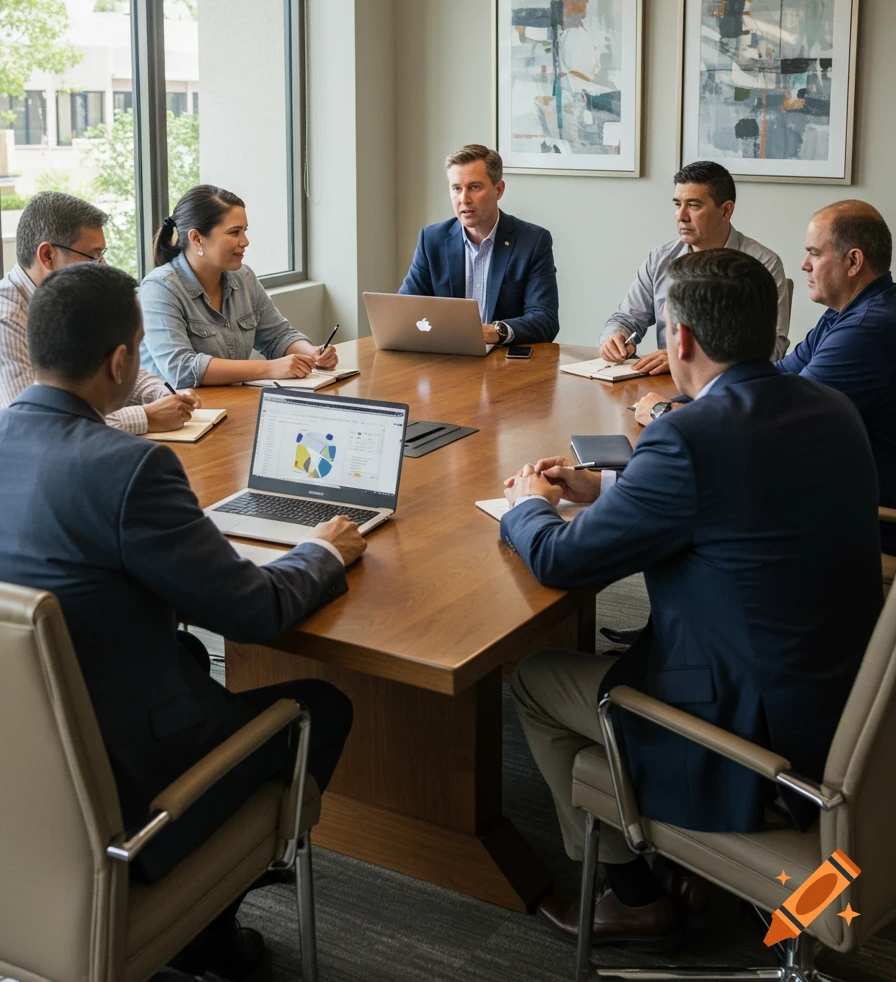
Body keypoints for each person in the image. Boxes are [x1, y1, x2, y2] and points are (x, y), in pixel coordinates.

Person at [500, 249, 881, 950]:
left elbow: (560, 560)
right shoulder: (830, 408)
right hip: (842, 705)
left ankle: (633, 892)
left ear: (678, 339)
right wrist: (608, 491)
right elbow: (740, 505)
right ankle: (695, 876)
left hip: (748, 738)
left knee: (531, 682)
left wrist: (528, 506)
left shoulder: (685, 435)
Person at [0, 263, 360, 977]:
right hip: (126, 788)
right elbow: (254, 611)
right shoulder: (130, 468)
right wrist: (321, 553)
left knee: (191, 662)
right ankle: (202, 921)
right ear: (123, 360)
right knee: (319, 705)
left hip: (24, 767)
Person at [0, 191, 196, 434]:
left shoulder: (75, 298)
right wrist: (147, 417)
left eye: (103, 254)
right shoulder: (6, 319)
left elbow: (113, 367)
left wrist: (161, 393)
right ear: (48, 255)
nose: (103, 265)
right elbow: (37, 423)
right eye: (93, 255)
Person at [775, 200, 896, 550]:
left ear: (854, 261)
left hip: (872, 518)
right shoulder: (848, 312)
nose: (804, 264)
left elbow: (780, 415)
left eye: (814, 253)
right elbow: (779, 376)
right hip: (843, 492)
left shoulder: (866, 330)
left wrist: (683, 407)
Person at [600, 160, 790, 375]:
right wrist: (615, 337)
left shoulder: (763, 263)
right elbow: (626, 318)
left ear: (726, 211)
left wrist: (687, 360)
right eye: (677, 204)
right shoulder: (660, 259)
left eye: (693, 205)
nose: (681, 216)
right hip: (665, 383)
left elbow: (774, 347)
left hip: (730, 388)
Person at [140, 184, 336, 387]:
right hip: (187, 414)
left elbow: (278, 336)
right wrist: (270, 369)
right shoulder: (159, 289)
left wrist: (311, 352)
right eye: (234, 232)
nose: (245, 241)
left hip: (233, 403)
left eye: (244, 230)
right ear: (197, 238)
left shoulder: (244, 277)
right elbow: (181, 369)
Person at [399, 144, 559, 346]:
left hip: (504, 365)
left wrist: (496, 332)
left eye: (474, 187)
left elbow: (545, 319)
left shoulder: (533, 241)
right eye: (456, 188)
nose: (464, 199)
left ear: (498, 189)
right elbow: (405, 309)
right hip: (446, 359)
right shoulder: (432, 239)